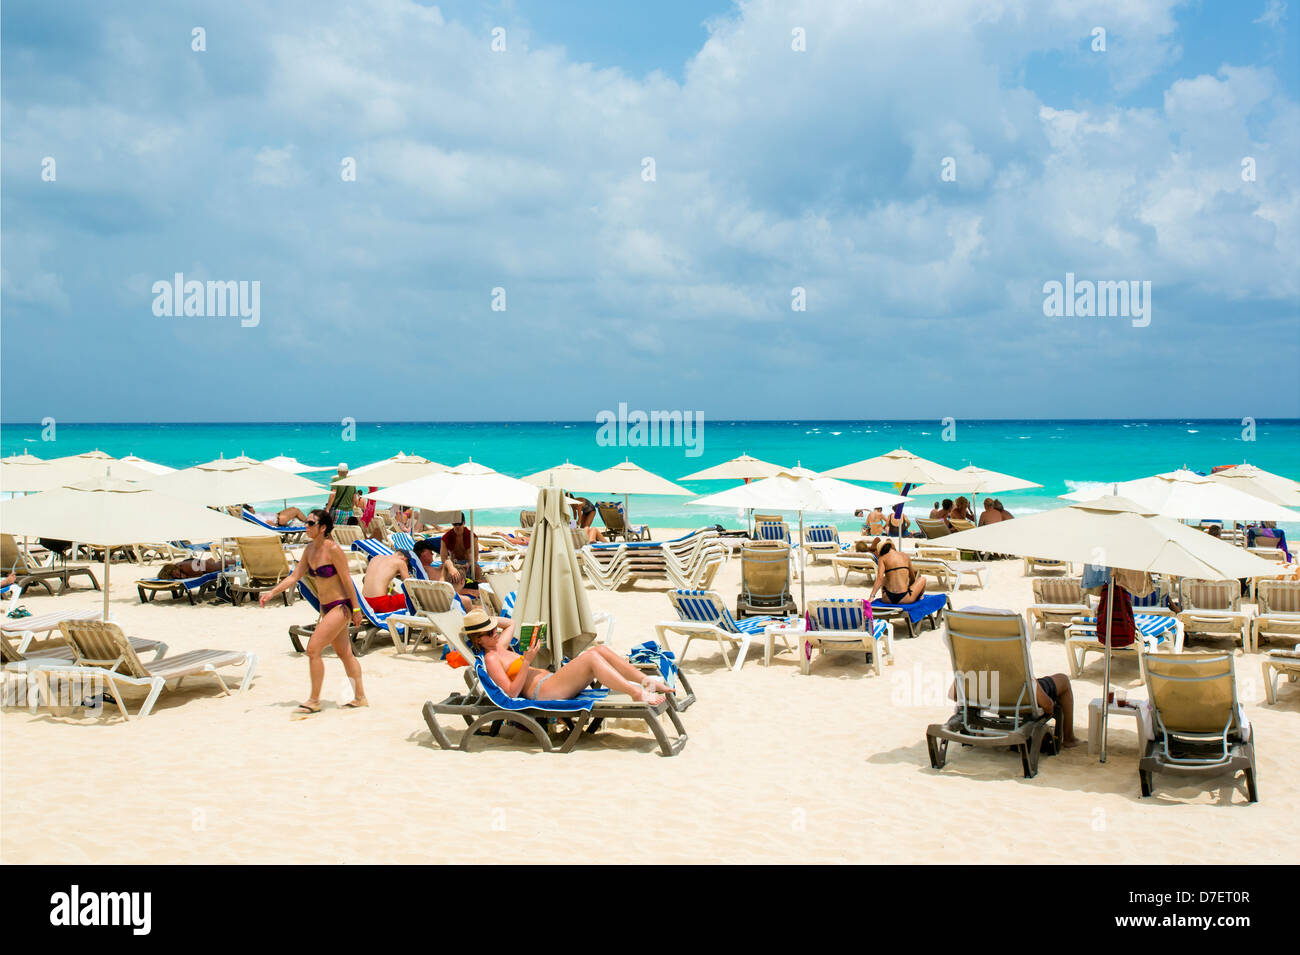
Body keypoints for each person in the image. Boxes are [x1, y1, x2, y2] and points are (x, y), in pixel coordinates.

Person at [259, 509, 368, 716]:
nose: (306, 526)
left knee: (313, 649)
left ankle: (314, 700)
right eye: (307, 523)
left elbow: (347, 580)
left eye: (310, 523)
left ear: (323, 528)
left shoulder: (333, 549)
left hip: (340, 606)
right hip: (326, 608)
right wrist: (271, 592)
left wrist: (356, 609)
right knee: (344, 654)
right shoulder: (309, 550)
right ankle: (360, 697)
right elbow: (294, 577)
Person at [465, 608, 672, 704]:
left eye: (493, 629)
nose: (496, 633)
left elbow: (509, 623)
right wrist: (527, 661)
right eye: (490, 632)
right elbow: (510, 693)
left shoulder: (500, 645)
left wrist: (486, 620)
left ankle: (646, 682)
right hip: (544, 691)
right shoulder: (491, 659)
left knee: (598, 650)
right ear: (478, 640)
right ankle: (635, 693)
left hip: (551, 681)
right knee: (591, 658)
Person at [867, 539, 926, 604]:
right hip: (905, 598)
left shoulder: (882, 558)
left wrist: (872, 596)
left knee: (884, 578)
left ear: (880, 551)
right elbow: (912, 578)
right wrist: (910, 590)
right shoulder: (905, 556)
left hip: (887, 599)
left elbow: (879, 578)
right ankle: (920, 597)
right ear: (892, 547)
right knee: (922, 579)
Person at [440, 515, 479, 594]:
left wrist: (468, 564)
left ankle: (476, 585)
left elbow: (476, 557)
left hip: (469, 564)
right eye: (455, 524)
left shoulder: (472, 536)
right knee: (441, 568)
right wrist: (451, 566)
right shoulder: (446, 537)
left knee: (477, 568)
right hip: (455, 564)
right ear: (452, 524)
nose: (457, 527)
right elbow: (443, 558)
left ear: (464, 523)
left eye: (460, 524)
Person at [243, 504, 309, 527]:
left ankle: (300, 522)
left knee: (293, 508)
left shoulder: (255, 515)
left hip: (278, 515)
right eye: (251, 507)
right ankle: (308, 523)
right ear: (250, 509)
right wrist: (275, 525)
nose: (253, 508)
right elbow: (268, 522)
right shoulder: (257, 516)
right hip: (279, 519)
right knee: (296, 510)